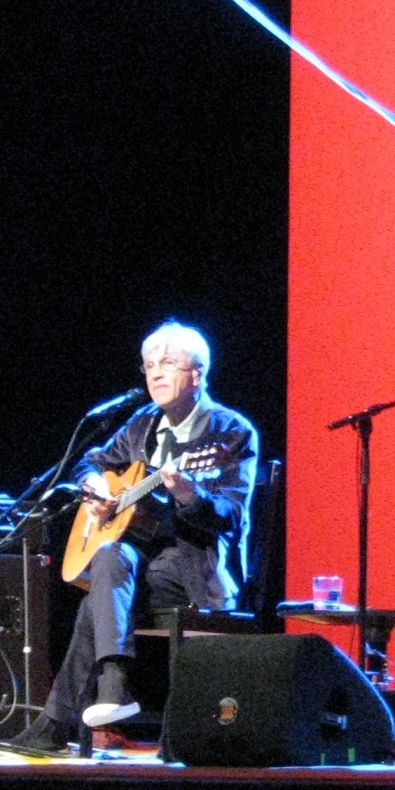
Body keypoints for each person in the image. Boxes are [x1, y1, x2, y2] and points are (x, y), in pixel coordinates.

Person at [18, 321, 258, 754]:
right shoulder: (141, 424)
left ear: (197, 373)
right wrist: (96, 486)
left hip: (193, 568)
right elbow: (90, 461)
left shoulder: (230, 432)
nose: (155, 373)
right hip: (134, 569)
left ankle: (62, 719)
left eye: (168, 363)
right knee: (109, 555)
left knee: (100, 592)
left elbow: (233, 516)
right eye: (149, 365)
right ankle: (110, 690)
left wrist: (190, 496)